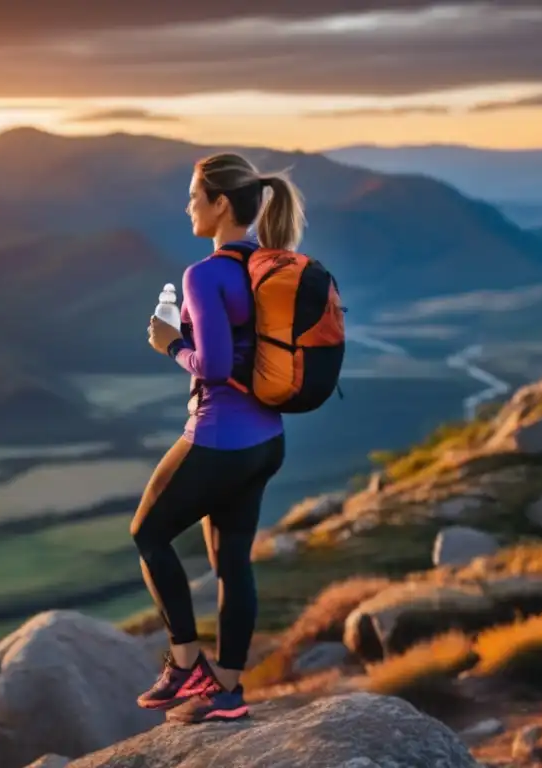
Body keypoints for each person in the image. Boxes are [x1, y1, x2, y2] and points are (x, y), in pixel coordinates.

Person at [132, 151, 306, 723]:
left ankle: (185, 664)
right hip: (266, 441)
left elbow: (208, 366)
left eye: (194, 197)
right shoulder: (265, 268)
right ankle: (227, 693)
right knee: (233, 561)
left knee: (148, 534)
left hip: (218, 438)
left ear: (221, 204)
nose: (188, 207)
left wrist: (169, 344)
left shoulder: (204, 274)